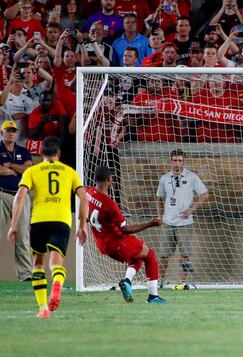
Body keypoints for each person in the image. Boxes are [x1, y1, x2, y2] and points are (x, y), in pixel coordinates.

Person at [6, 136, 88, 318]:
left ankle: (43, 308)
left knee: (37, 264)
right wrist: (82, 225)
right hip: (62, 220)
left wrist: (13, 225)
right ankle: (57, 284)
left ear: (41, 152)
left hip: (39, 220)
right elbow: (84, 198)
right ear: (59, 153)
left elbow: (20, 196)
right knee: (55, 263)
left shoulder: (32, 171)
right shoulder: (70, 171)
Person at [87, 166, 167, 304]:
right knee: (150, 256)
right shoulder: (109, 204)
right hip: (117, 242)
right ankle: (153, 296)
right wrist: (150, 224)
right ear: (108, 179)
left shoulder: (88, 193)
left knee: (137, 258)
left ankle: (127, 281)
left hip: (102, 244)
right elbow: (125, 229)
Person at [155, 149, 209, 287]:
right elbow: (159, 198)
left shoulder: (192, 177)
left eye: (180, 160)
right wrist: (160, 216)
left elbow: (204, 194)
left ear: (184, 161)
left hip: (185, 223)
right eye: (174, 160)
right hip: (168, 222)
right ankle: (160, 281)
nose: (177, 163)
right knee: (164, 255)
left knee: (185, 255)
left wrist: (191, 210)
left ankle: (182, 282)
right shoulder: (165, 178)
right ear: (170, 161)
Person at [0, 120, 33, 281]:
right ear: (2, 132)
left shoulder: (23, 151)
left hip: (21, 196)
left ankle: (26, 274)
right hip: (2, 194)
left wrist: (11, 166)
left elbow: (29, 170)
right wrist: (17, 169)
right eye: (8, 130)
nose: (11, 133)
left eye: (13, 130)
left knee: (23, 235)